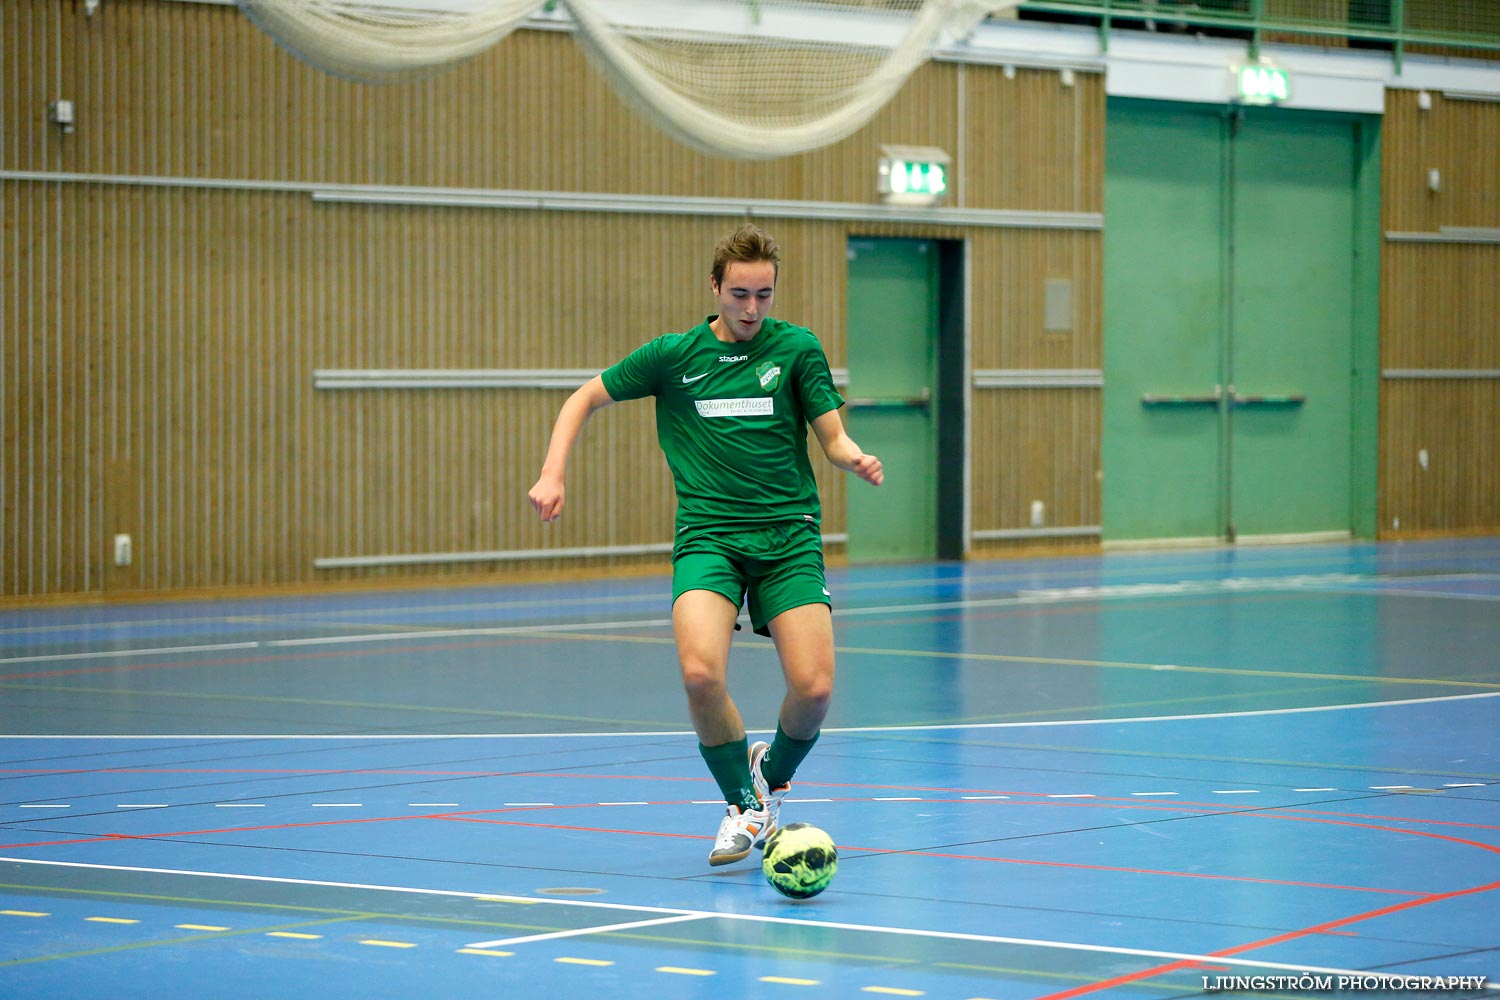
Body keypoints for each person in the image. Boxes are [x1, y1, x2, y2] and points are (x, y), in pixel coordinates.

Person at [528, 223, 883, 866]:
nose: (752, 309)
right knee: (699, 674)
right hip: (709, 535)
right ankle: (742, 805)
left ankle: (770, 778)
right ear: (715, 287)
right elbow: (584, 397)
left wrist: (851, 455)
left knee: (815, 690)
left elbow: (832, 437)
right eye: (740, 294)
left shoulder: (798, 350)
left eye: (765, 295)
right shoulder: (675, 356)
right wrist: (553, 472)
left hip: (788, 537)